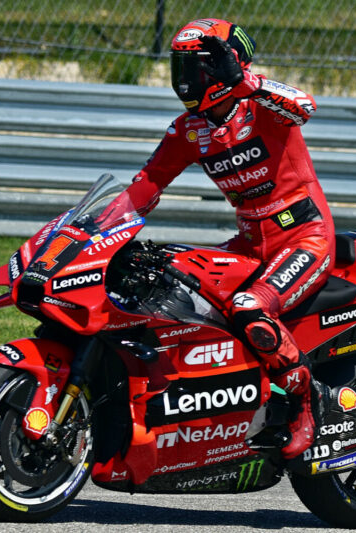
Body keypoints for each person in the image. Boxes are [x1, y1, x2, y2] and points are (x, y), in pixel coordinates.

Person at [110, 18, 333, 459]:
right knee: (169, 281)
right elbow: (148, 183)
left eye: (196, 68)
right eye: (180, 68)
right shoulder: (189, 129)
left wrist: (245, 81)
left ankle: (308, 402)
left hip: (305, 238)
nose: (185, 80)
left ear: (225, 66)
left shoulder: (263, 107)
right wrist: (101, 228)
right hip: (250, 244)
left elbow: (304, 106)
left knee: (251, 307)